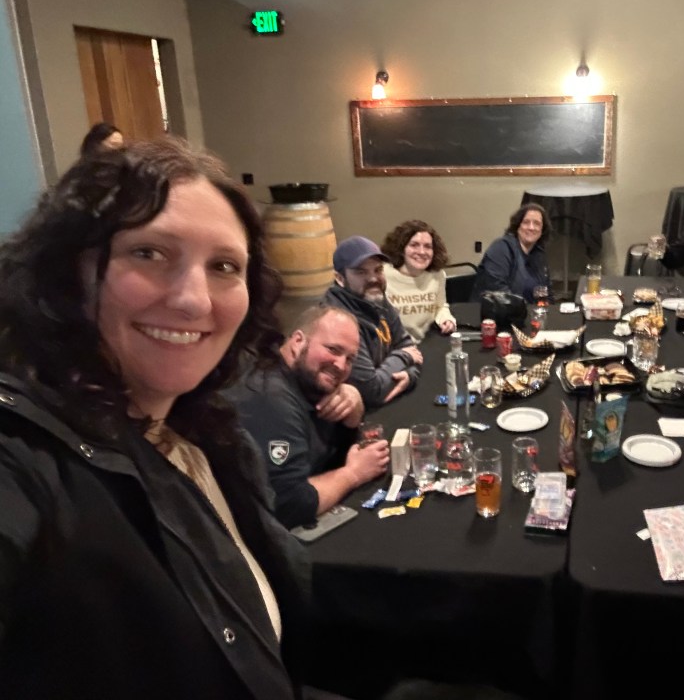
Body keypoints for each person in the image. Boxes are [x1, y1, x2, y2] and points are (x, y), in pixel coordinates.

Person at [0, 138, 312, 696]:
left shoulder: (210, 438)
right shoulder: (22, 453)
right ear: (68, 270)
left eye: (224, 266)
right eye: (149, 253)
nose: (194, 300)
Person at [226, 304, 389, 529]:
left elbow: (331, 453)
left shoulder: (305, 376)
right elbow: (289, 504)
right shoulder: (270, 397)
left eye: (350, 358)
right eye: (333, 349)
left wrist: (354, 411)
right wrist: (353, 474)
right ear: (298, 341)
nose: (341, 365)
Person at [322, 235, 422, 410]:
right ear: (339, 278)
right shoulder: (337, 320)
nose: (373, 278)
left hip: (385, 402)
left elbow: (408, 346)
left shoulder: (375, 298)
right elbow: (371, 390)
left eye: (378, 270)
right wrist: (404, 357)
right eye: (361, 272)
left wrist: (410, 376)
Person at [381, 219, 457, 342]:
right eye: (414, 245)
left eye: (427, 246)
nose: (422, 252)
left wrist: (446, 319)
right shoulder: (382, 275)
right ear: (401, 249)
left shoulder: (437, 275)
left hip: (426, 344)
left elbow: (440, 306)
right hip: (393, 347)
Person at [471, 202, 552, 304]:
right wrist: (526, 311)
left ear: (542, 230)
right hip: (495, 315)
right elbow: (498, 292)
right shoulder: (501, 248)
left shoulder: (539, 254)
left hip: (532, 315)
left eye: (537, 223)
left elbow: (547, 293)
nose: (531, 227)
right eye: (526, 222)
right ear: (518, 226)